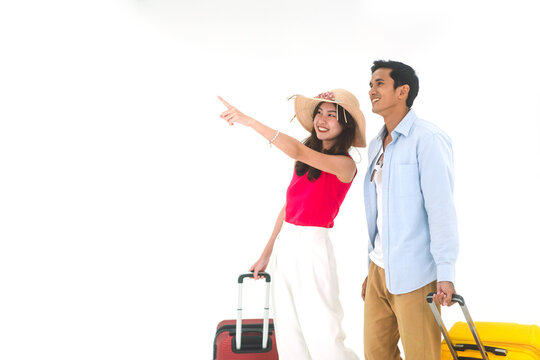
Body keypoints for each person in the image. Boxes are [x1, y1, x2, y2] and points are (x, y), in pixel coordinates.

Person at [218, 89, 365, 360]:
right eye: (319, 112)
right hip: (287, 243)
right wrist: (266, 253)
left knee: (324, 331)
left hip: (314, 245)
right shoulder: (305, 159)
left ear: (345, 125)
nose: (322, 119)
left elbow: (296, 148)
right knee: (288, 331)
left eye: (331, 115)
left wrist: (248, 120)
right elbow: (288, 207)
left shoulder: (345, 165)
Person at [362, 60, 459, 360]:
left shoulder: (427, 139)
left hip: (416, 275)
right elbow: (378, 212)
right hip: (379, 272)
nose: (371, 90)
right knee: (376, 355)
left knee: (422, 355)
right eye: (370, 84)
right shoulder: (376, 145)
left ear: (402, 91)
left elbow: (441, 209)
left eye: (380, 83)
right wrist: (370, 268)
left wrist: (445, 273)